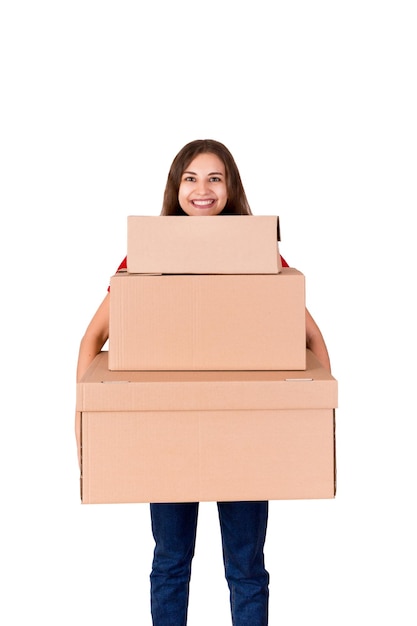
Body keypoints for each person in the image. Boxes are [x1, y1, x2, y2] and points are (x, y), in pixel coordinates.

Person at [75, 139, 331, 625]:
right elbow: (93, 338)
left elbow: (312, 339)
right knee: (171, 562)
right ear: (176, 188)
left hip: (242, 429)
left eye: (215, 177)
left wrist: (310, 416)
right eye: (191, 178)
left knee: (246, 568)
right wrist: (85, 418)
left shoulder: (262, 259)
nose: (203, 189)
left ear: (231, 187)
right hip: (168, 427)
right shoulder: (144, 261)